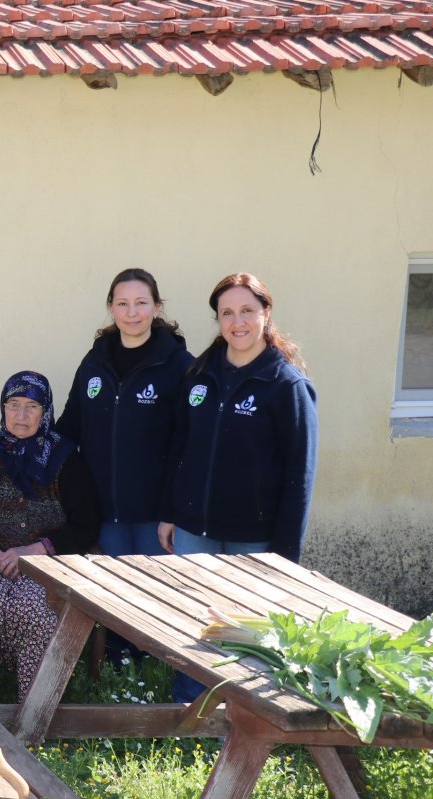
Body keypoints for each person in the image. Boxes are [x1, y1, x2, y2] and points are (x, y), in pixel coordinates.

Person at [160, 273, 317, 702]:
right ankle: (189, 713)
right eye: (227, 313)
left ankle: (244, 718)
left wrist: (285, 555)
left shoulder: (287, 386)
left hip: (255, 537)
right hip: (195, 529)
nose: (238, 322)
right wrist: (172, 511)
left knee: (246, 632)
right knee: (196, 623)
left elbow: (299, 477)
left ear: (266, 314)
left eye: (247, 310)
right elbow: (180, 448)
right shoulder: (200, 375)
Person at [0, 371, 100, 702]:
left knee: (30, 602)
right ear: (2, 408)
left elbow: (86, 522)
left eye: (31, 406)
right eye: (13, 405)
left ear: (45, 411)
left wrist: (36, 550)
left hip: (46, 564)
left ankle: (36, 700)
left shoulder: (65, 457)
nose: (21, 415)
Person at [56, 268, 192, 557]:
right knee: (110, 600)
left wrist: (173, 511)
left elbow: (189, 445)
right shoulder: (94, 363)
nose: (132, 312)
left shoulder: (180, 366)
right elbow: (68, 429)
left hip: (157, 519)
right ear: (110, 308)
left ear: (157, 307)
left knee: (157, 598)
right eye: (122, 304)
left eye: (141, 303)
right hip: (102, 515)